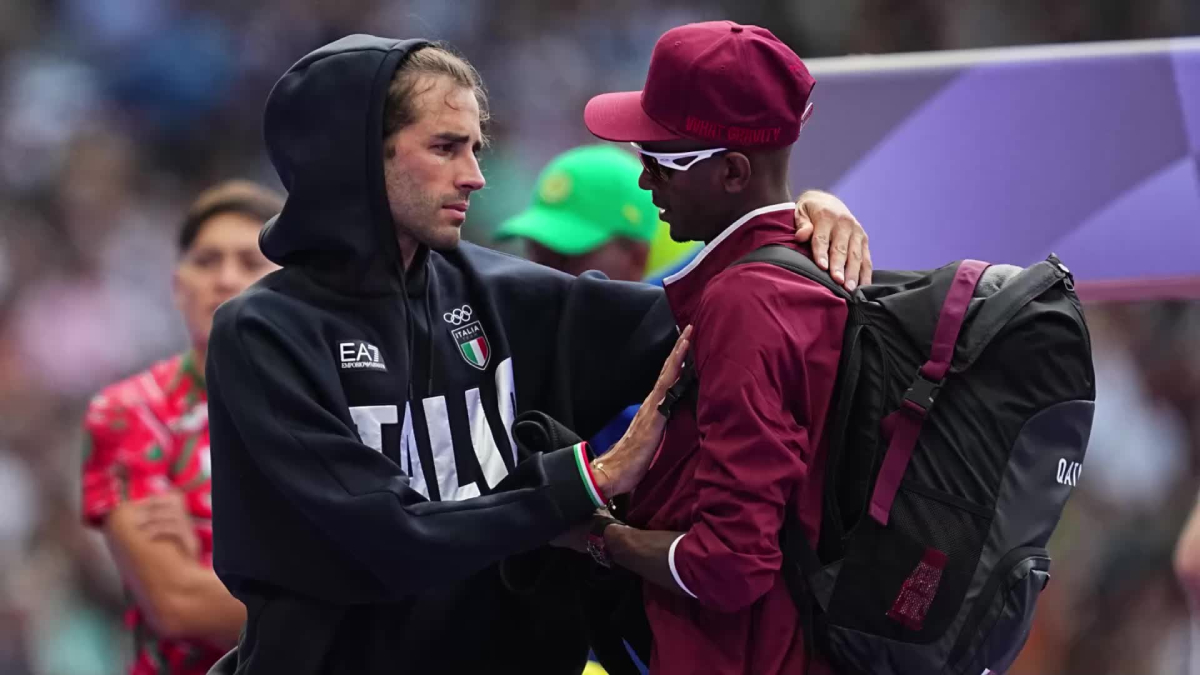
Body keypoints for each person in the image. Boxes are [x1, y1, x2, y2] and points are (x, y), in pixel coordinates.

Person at [203, 35, 871, 675]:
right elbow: (388, 537)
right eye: (444, 147)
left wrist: (787, 224)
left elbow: (727, 313)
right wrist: (591, 479)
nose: (476, 176)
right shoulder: (263, 336)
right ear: (353, 158)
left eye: (476, 148)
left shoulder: (497, 291)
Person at [572, 21, 851, 674]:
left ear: (731, 171)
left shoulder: (744, 301)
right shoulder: (810, 264)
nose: (644, 183)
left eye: (659, 162)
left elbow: (730, 565)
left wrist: (595, 535)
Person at [81, 180, 284, 675]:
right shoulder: (129, 412)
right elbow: (178, 604)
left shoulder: (338, 404)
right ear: (177, 285)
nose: (224, 278)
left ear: (291, 285)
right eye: (206, 261)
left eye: (249, 261)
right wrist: (352, 601)